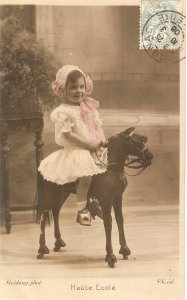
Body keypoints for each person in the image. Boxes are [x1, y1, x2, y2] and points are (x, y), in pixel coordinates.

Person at [38, 65, 107, 226]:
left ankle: (94, 200)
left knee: (107, 167)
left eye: (81, 87)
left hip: (93, 148)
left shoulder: (89, 108)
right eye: (73, 87)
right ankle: (81, 210)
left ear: (86, 87)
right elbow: (67, 134)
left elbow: (98, 126)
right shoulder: (64, 111)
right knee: (85, 176)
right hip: (77, 150)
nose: (79, 91)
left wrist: (103, 142)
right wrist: (89, 144)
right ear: (63, 90)